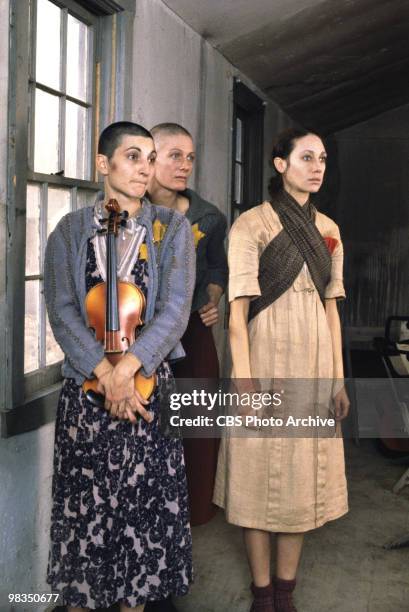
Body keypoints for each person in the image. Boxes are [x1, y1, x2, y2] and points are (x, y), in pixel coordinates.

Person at [44, 121, 195, 612]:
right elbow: (62, 310)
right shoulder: (69, 231)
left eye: (150, 158)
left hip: (149, 394)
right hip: (86, 399)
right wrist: (104, 373)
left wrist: (128, 369)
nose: (145, 168)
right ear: (103, 164)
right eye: (133, 156)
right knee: (86, 523)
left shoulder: (171, 230)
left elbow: (175, 311)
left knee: (141, 529)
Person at [213, 128, 350, 612]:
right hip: (264, 359)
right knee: (256, 476)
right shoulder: (251, 226)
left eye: (323, 159)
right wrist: (245, 385)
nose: (317, 167)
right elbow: (236, 314)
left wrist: (337, 378)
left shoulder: (329, 229)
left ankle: (286, 592)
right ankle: (262, 592)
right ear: (280, 165)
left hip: (313, 366)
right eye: (306, 157)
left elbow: (333, 311)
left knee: (300, 478)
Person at [148, 122, 228, 527]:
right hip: (140, 335)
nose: (185, 165)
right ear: (151, 156)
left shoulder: (209, 217)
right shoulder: (128, 212)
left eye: (190, 157)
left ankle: (195, 511)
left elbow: (217, 267)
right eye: (174, 155)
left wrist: (212, 300)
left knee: (197, 421)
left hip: (193, 330)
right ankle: (154, 514)